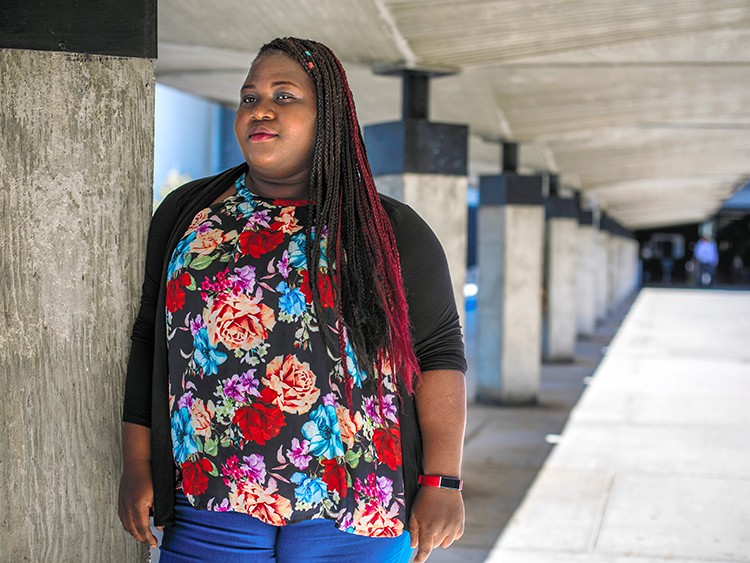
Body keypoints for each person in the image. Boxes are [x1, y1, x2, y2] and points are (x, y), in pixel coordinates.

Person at [118, 37, 467, 563]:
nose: (260, 108)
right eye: (249, 96)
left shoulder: (388, 230)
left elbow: (438, 351)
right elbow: (149, 339)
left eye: (284, 96)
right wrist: (137, 464)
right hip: (209, 502)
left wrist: (443, 480)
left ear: (329, 116)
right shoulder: (187, 215)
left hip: (356, 511)